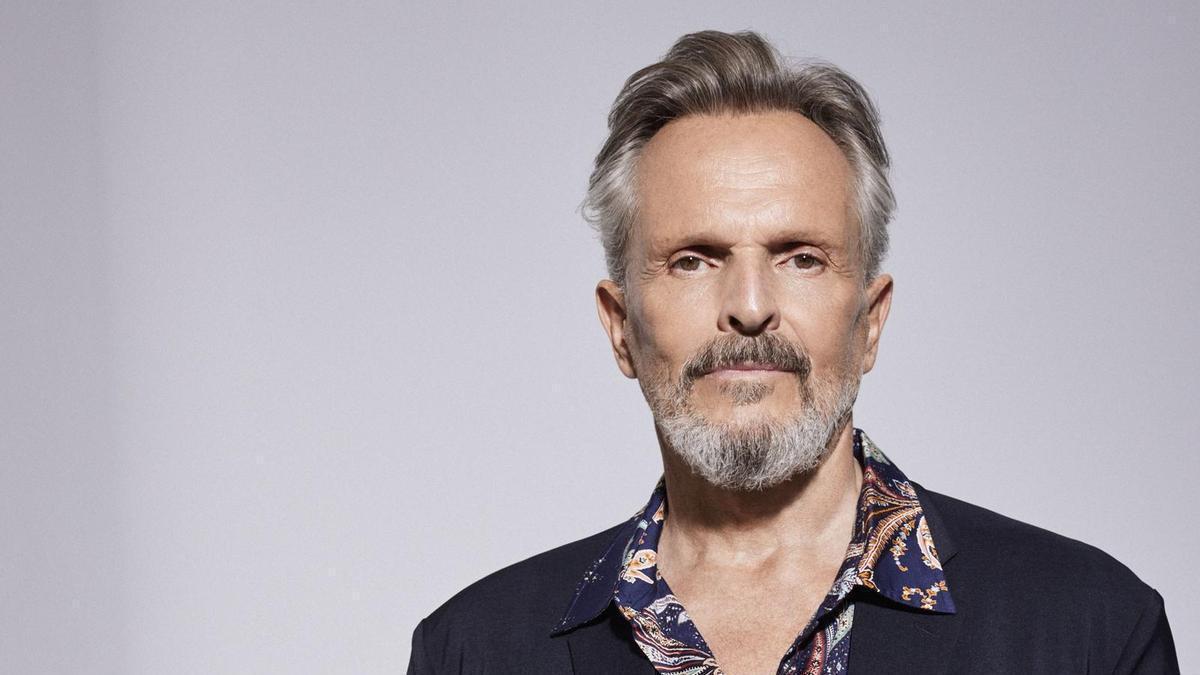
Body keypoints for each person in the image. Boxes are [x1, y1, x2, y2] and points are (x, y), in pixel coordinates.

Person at [406, 30, 1179, 674]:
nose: (749, 306)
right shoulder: (474, 651)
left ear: (870, 320)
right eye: (693, 259)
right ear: (620, 327)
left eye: (801, 257)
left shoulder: (1091, 631)